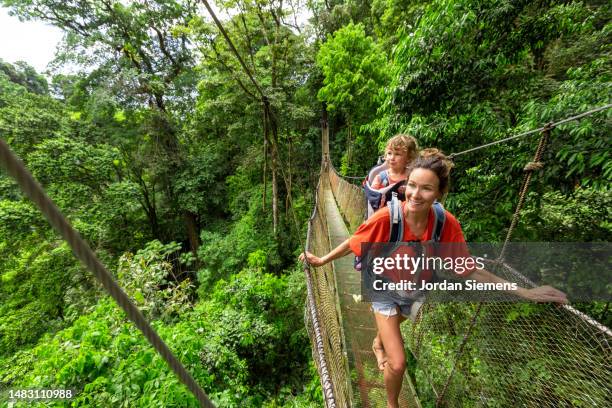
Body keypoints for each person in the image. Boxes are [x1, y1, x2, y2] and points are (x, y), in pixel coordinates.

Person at [300, 149, 567, 408]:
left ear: (439, 193)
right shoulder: (386, 218)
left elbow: (468, 268)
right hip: (382, 286)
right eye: (412, 185)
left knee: (394, 326)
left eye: (426, 189)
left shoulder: (445, 223)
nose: (416, 194)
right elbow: (353, 242)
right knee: (398, 362)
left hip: (415, 290)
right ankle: (392, 404)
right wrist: (322, 260)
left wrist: (524, 292)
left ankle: (378, 342)